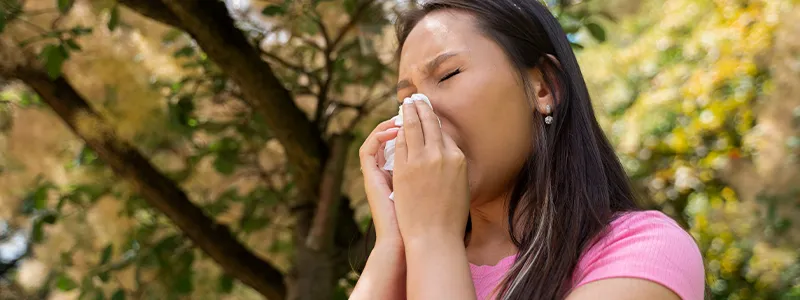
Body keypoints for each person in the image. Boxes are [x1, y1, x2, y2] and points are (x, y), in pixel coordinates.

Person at [350, 0, 706, 299]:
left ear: (544, 88)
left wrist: (434, 238)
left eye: (448, 75)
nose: (418, 112)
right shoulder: (403, 268)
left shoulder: (643, 251)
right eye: (404, 99)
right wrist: (393, 244)